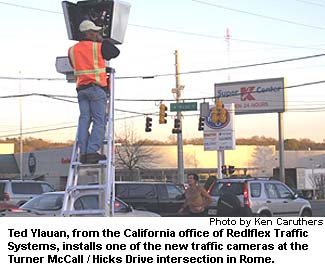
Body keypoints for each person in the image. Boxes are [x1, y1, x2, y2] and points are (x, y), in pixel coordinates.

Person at [68, 20, 120, 164]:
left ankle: (83, 153)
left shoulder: (72, 50)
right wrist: (102, 40)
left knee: (84, 120)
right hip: (96, 88)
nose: (97, 34)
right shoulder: (98, 47)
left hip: (81, 90)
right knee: (99, 121)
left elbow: (74, 65)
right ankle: (92, 152)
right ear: (89, 33)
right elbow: (115, 52)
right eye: (95, 32)